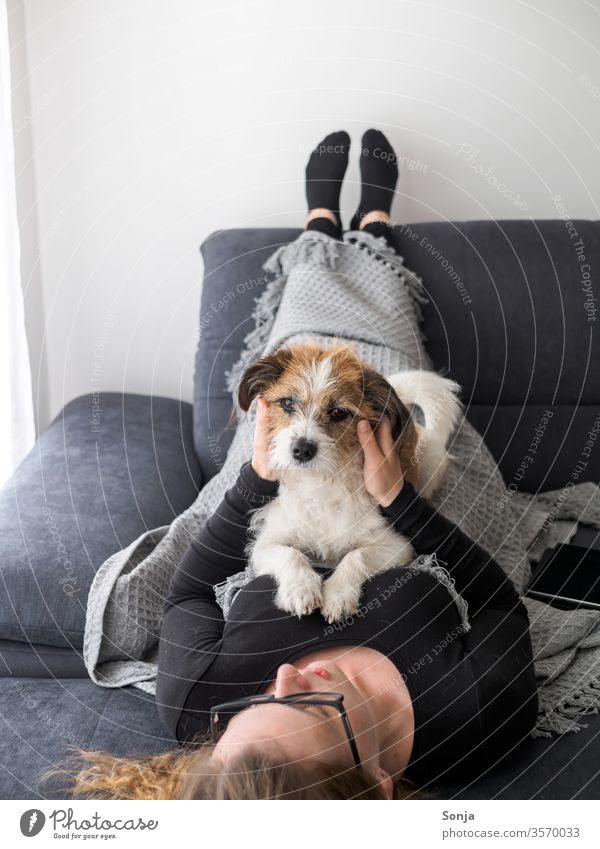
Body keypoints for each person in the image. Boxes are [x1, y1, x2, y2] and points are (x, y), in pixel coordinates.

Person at [55, 131, 538, 800]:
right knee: (394, 364)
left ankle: (318, 230)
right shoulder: (479, 713)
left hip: (271, 456)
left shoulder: (197, 699)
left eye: (251, 707)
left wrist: (253, 476)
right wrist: (400, 498)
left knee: (298, 335)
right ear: (380, 782)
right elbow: (498, 602)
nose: (281, 676)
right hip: (374, 446)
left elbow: (189, 591)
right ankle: (375, 230)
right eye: (315, 709)